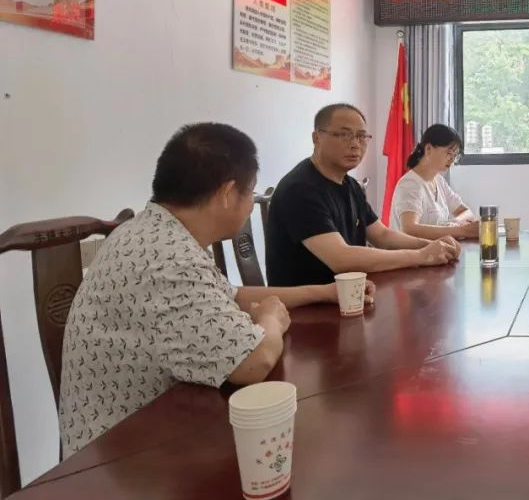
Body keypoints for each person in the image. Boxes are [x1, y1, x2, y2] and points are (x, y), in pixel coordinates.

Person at [59, 123, 373, 457]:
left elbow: (233, 296)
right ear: (227, 193)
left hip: (154, 430)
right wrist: (270, 320)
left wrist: (323, 292)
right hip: (122, 459)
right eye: (249, 193)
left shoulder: (154, 231)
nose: (251, 204)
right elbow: (252, 363)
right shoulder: (169, 260)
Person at [266, 103, 461, 287]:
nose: (355, 144)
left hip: (351, 294)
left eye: (361, 136)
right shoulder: (300, 189)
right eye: (344, 135)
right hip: (308, 304)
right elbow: (341, 259)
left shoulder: (351, 185)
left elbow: (382, 235)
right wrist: (421, 255)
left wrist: (432, 245)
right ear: (316, 137)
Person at [390, 124, 479, 239]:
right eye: (449, 153)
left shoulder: (438, 180)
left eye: (455, 155)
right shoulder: (410, 184)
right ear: (428, 149)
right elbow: (409, 229)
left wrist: (454, 223)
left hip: (434, 248)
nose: (452, 160)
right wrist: (460, 230)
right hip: (411, 250)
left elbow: (466, 212)